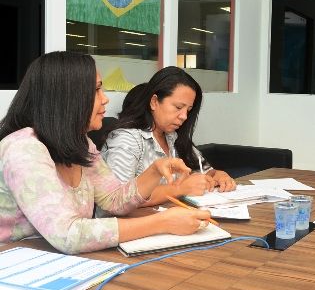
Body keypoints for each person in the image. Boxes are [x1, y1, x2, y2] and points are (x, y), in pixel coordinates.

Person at [0, 51, 210, 254]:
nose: (105, 99)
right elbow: (68, 235)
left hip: (64, 261)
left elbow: (114, 200)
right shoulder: (24, 148)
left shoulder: (81, 143)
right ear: (67, 97)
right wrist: (162, 222)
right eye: (96, 90)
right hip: (15, 266)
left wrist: (155, 171)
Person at [102, 66, 235, 206]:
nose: (184, 116)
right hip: (138, 219)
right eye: (178, 107)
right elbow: (117, 200)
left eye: (188, 110)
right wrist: (180, 189)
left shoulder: (173, 136)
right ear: (154, 102)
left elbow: (203, 171)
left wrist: (217, 175)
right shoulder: (126, 139)